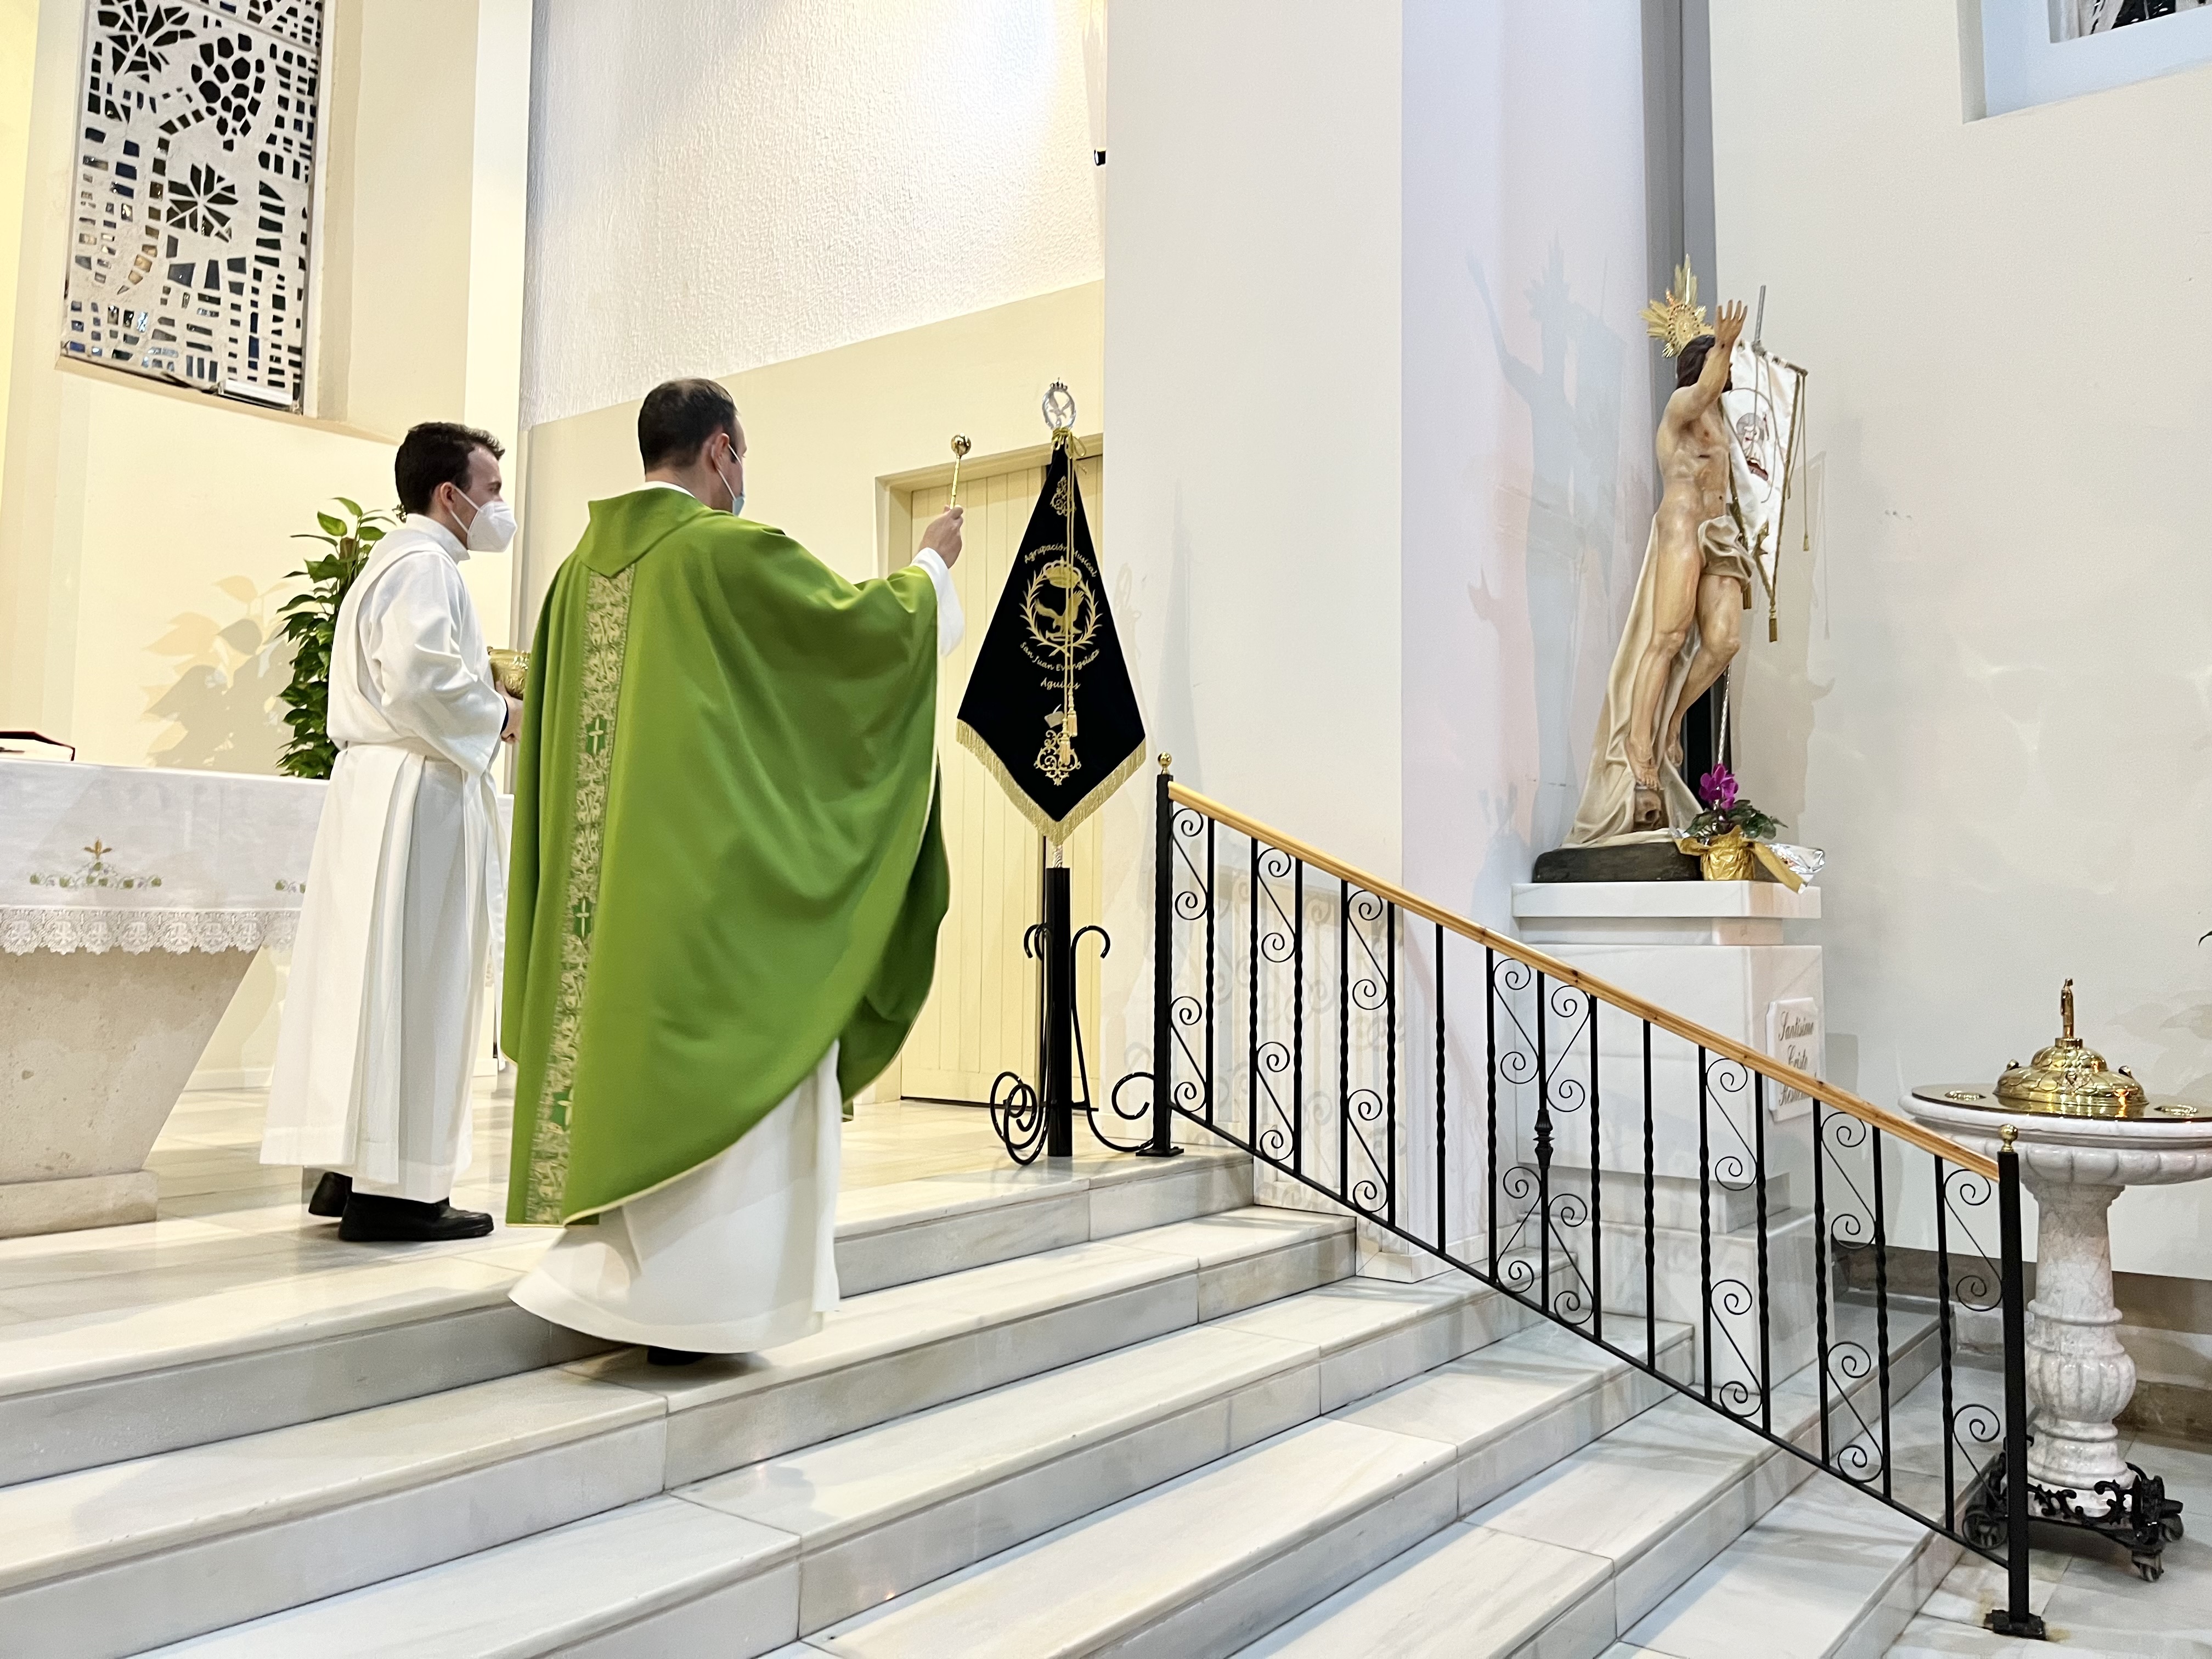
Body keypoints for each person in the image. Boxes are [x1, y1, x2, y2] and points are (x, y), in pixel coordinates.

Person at [502, 378, 963, 1364]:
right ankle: (703, 1303)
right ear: (719, 452)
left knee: (628, 1073)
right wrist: (930, 568)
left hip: (611, 905)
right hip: (710, 899)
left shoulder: (578, 575)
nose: (742, 474)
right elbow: (857, 639)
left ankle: (607, 1280)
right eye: (741, 454)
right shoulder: (726, 551)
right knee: (739, 1061)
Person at [260, 422, 522, 1242]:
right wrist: (502, 712)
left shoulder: (392, 561)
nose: (499, 507)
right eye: (492, 491)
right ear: (451, 496)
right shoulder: (424, 566)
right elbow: (418, 679)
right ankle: (401, 1194)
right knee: (421, 983)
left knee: (373, 984)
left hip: (384, 788)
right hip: (418, 793)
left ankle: (351, 1170)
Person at [1567, 295, 1752, 844]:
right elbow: (1704, 388)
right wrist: (1723, 343)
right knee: (1668, 638)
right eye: (1722, 364)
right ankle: (1640, 751)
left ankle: (1670, 718)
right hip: (1680, 528)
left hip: (1719, 535)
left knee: (1722, 643)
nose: (1730, 373)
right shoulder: (1683, 408)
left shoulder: (1723, 423)